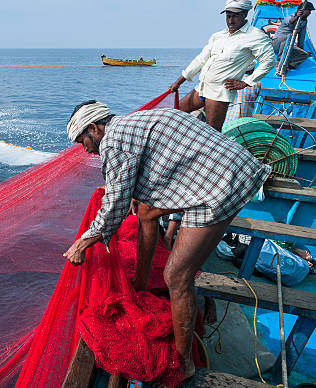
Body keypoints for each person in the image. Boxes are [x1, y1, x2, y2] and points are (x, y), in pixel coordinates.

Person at [63, 101, 271, 381]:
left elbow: (114, 203)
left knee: (176, 276)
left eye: (83, 141)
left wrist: (83, 242)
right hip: (230, 169)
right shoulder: (134, 122)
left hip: (220, 187)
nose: (86, 149)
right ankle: (140, 283)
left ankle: (184, 364)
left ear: (94, 128)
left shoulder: (112, 141)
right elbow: (136, 187)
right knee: (147, 211)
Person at [169, 0, 275, 131]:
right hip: (202, 87)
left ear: (245, 14)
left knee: (212, 132)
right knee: (175, 114)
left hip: (219, 92)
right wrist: (179, 81)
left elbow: (269, 61)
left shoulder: (255, 36)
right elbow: (201, 59)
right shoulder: (218, 36)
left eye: (235, 16)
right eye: (228, 16)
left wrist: (246, 82)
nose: (230, 21)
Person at [272, 1, 314, 69]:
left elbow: (301, 37)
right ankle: (279, 61)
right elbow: (290, 22)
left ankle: (289, 66)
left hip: (288, 45)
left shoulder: (304, 22)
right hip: (276, 43)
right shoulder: (290, 17)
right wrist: (297, 16)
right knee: (289, 37)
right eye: (308, 10)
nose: (309, 13)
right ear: (300, 10)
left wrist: (301, 50)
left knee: (304, 54)